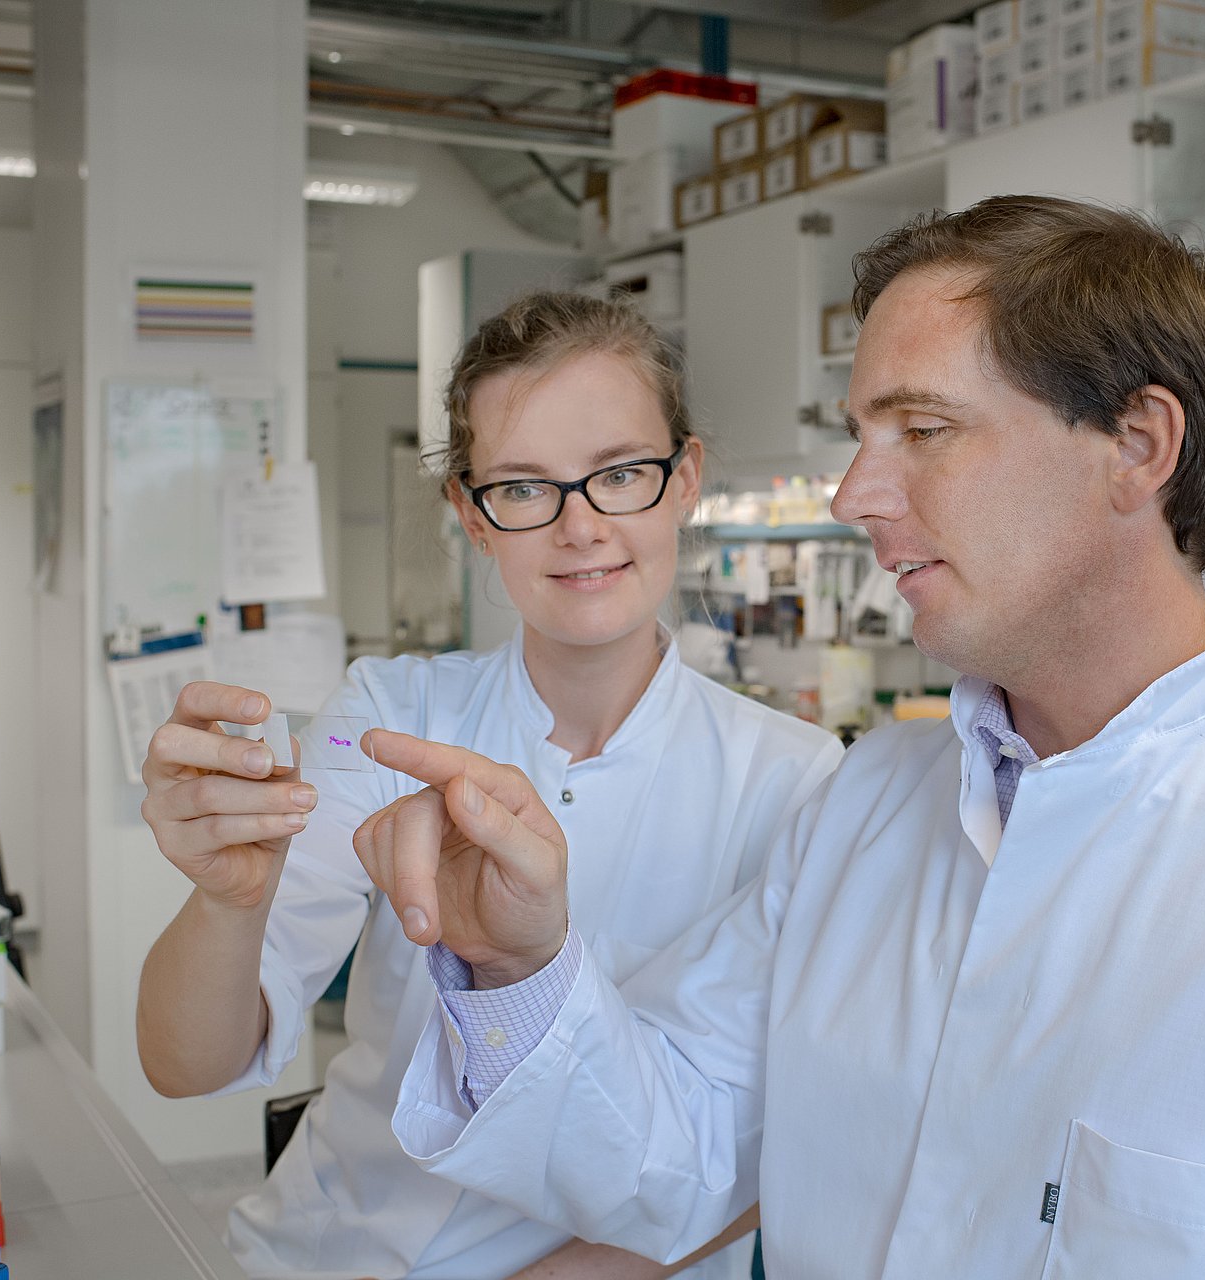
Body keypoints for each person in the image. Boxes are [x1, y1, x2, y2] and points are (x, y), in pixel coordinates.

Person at [355, 197, 1205, 1278]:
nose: (857, 494)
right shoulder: (867, 806)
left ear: (1137, 445)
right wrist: (517, 964)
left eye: (922, 430)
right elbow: (674, 1154)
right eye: (859, 436)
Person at [134, 291, 842, 1279]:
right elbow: (184, 1064)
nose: (580, 526)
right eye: (523, 488)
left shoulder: (799, 784)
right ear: (472, 515)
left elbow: (790, 1143)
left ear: (684, 480)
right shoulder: (386, 710)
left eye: (620, 474)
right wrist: (226, 901)